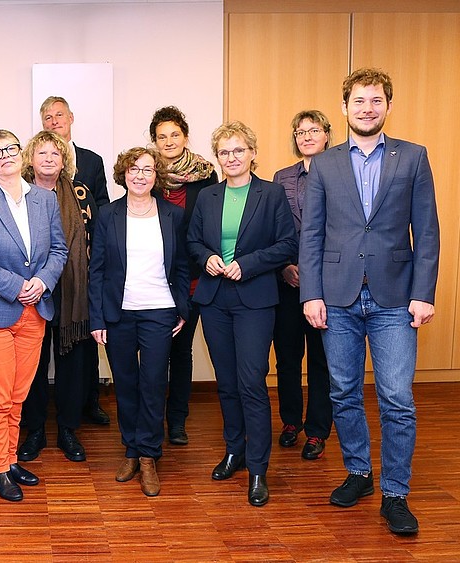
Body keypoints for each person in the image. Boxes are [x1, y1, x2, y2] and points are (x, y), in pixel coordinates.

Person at [300, 68, 440, 535]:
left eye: (375, 100)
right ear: (344, 108)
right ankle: (359, 473)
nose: (366, 108)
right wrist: (312, 293)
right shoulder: (324, 163)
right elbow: (313, 234)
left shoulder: (413, 158)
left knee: (396, 398)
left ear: (388, 106)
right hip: (336, 297)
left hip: (396, 298)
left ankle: (395, 493)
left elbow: (428, 230)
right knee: (342, 391)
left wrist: (423, 293)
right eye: (358, 100)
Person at [187, 121, 296, 507]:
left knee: (251, 382)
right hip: (215, 299)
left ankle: (258, 469)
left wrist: (246, 264)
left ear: (252, 152)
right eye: (224, 152)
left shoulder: (272, 194)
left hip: (254, 299)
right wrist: (209, 258)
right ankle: (234, 450)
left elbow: (286, 244)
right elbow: (193, 242)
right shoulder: (208, 197)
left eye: (238, 150)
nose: (231, 158)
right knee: (227, 382)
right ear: (216, 158)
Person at [0, 129, 67, 502]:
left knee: (18, 396)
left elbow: (58, 250)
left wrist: (42, 280)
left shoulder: (45, 199)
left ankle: (11, 457)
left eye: (10, 148)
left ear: (22, 153)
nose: (4, 155)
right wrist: (16, 285)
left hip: (34, 311)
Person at [89, 147, 188, 497]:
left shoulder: (174, 215)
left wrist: (182, 309)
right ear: (123, 174)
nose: (140, 175)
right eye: (134, 169)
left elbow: (182, 266)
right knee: (126, 385)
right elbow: (97, 270)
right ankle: (130, 450)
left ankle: (149, 456)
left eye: (148, 169)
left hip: (160, 310)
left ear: (156, 175)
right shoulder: (108, 215)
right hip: (119, 314)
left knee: (153, 384)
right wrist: (97, 317)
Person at [16, 130, 97, 463]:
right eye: (42, 153)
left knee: (72, 364)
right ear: (30, 159)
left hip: (72, 289)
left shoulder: (81, 193)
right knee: (32, 364)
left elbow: (93, 240)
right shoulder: (18, 193)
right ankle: (35, 429)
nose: (48, 159)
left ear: (64, 160)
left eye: (55, 154)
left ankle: (67, 429)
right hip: (30, 289)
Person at [148, 106, 219, 446]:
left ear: (185, 137)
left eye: (174, 134)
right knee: (153, 352)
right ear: (154, 142)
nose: (169, 141)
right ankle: (150, 421)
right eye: (162, 137)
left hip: (192, 277)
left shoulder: (206, 175)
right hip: (153, 278)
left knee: (181, 351)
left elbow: (211, 225)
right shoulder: (146, 174)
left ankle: (176, 421)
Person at [39, 95, 110, 426]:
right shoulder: (29, 182)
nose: (54, 121)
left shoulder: (91, 163)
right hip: (40, 281)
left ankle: (85, 407)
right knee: (38, 357)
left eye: (59, 115)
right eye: (48, 117)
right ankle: (36, 423)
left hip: (80, 275)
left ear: (71, 118)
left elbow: (103, 212)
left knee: (82, 351)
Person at [271, 110, 335, 460]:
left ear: (327, 134)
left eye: (314, 130)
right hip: (286, 280)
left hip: (327, 284)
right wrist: (284, 266)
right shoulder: (282, 177)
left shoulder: (341, 172)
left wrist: (313, 273)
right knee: (287, 357)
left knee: (322, 360)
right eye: (300, 131)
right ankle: (291, 421)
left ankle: (317, 430)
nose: (307, 136)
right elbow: (272, 227)